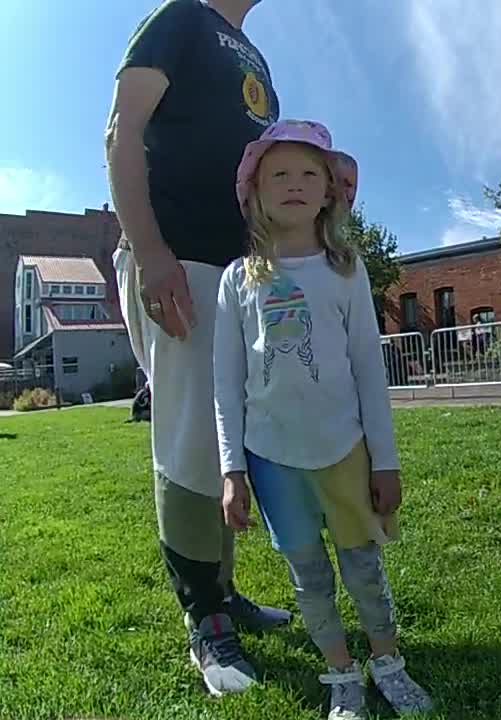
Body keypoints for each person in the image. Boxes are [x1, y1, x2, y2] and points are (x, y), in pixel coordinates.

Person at [214, 120, 434, 719]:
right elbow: (226, 385)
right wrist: (233, 470)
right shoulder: (239, 280)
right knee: (309, 576)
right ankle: (342, 676)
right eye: (277, 173)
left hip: (346, 451)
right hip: (272, 457)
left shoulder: (346, 269)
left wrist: (384, 460)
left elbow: (368, 366)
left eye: (309, 173)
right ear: (254, 192)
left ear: (330, 191)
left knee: (364, 567)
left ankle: (388, 664)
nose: (294, 184)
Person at [104, 0, 290, 697]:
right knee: (188, 440)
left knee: (226, 443)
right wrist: (153, 253)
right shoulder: (178, 17)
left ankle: (224, 592)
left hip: (239, 275)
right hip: (178, 262)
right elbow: (123, 131)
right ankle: (205, 622)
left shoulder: (254, 55)